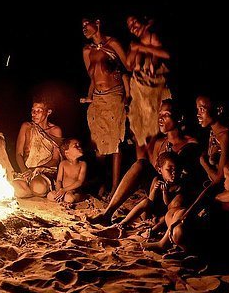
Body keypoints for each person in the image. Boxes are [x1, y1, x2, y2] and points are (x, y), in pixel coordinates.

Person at [88, 99, 199, 225]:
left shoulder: (190, 145)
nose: (161, 118)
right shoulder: (159, 143)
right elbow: (154, 172)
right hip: (158, 193)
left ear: (179, 118)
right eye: (160, 114)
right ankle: (107, 214)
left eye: (166, 115)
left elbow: (189, 180)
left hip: (175, 198)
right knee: (141, 164)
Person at [80, 18, 129, 199]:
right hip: (98, 98)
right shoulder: (87, 50)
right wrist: (89, 96)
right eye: (82, 27)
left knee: (114, 141)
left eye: (87, 24)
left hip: (115, 94)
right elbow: (92, 76)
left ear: (98, 22)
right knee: (98, 145)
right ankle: (104, 180)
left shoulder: (113, 43)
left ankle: (116, 186)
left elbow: (128, 67)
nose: (84, 29)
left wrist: (128, 93)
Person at [125, 15, 172, 156]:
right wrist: (136, 49)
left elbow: (166, 55)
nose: (133, 27)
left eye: (134, 21)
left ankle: (156, 163)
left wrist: (142, 47)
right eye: (129, 26)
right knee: (139, 132)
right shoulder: (135, 44)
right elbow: (128, 65)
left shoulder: (153, 37)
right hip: (140, 93)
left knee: (154, 132)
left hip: (155, 92)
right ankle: (141, 164)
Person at [112, 152, 184, 231]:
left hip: (165, 216)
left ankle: (153, 229)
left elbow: (168, 205)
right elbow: (150, 200)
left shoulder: (178, 186)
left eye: (176, 170)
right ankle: (124, 223)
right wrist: (154, 190)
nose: (173, 173)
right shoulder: (157, 180)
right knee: (146, 201)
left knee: (164, 218)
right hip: (151, 213)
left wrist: (165, 192)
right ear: (160, 170)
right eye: (169, 169)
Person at [13, 99, 63, 198]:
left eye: (39, 111)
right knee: (17, 189)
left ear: (48, 112)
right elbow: (19, 154)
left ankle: (39, 189)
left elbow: (56, 159)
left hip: (45, 171)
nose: (34, 114)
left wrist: (38, 169)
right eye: (33, 110)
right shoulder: (26, 127)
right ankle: (41, 193)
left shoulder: (55, 130)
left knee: (38, 187)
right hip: (27, 170)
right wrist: (25, 171)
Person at [196, 94, 229, 184]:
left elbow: (219, 180)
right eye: (198, 109)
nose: (198, 114)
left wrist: (203, 163)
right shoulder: (213, 133)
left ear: (218, 110)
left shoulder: (225, 137)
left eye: (202, 109)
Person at [47, 138, 88, 206]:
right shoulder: (63, 164)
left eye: (79, 145)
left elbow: (80, 181)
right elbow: (59, 180)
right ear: (67, 152)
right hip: (62, 190)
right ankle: (62, 199)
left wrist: (65, 190)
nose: (79, 146)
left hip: (73, 192)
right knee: (50, 195)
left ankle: (74, 199)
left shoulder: (82, 164)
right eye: (75, 146)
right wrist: (59, 191)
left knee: (69, 198)